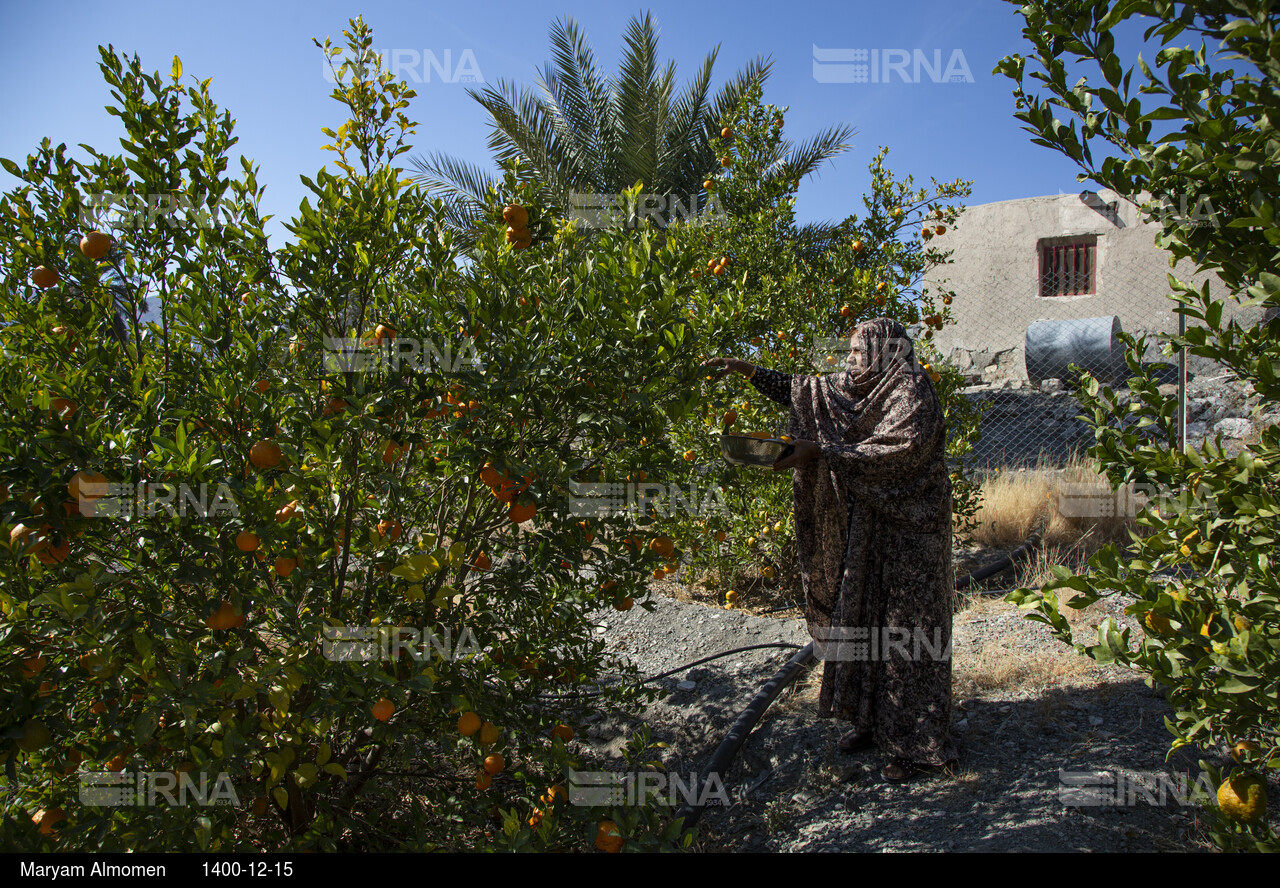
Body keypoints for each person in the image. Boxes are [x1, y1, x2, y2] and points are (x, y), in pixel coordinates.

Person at [703, 317, 958, 783]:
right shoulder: (858, 387)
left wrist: (820, 452)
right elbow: (806, 390)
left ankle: (919, 745)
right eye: (850, 352)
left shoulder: (910, 390)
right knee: (861, 616)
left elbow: (901, 452)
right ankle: (873, 721)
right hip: (868, 527)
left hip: (911, 529)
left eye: (859, 352)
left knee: (907, 629)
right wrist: (749, 371)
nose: (850, 360)